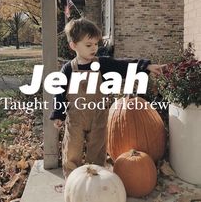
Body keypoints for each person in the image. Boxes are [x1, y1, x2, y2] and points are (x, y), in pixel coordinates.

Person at [50, 18, 164, 179]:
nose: (94, 48)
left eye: (96, 44)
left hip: (99, 116)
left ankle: (94, 179)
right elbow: (60, 92)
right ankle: (72, 180)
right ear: (73, 46)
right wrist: (58, 114)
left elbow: (123, 66)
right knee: (72, 150)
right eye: (88, 45)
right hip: (76, 117)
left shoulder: (102, 64)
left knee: (97, 151)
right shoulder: (68, 69)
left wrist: (145, 66)